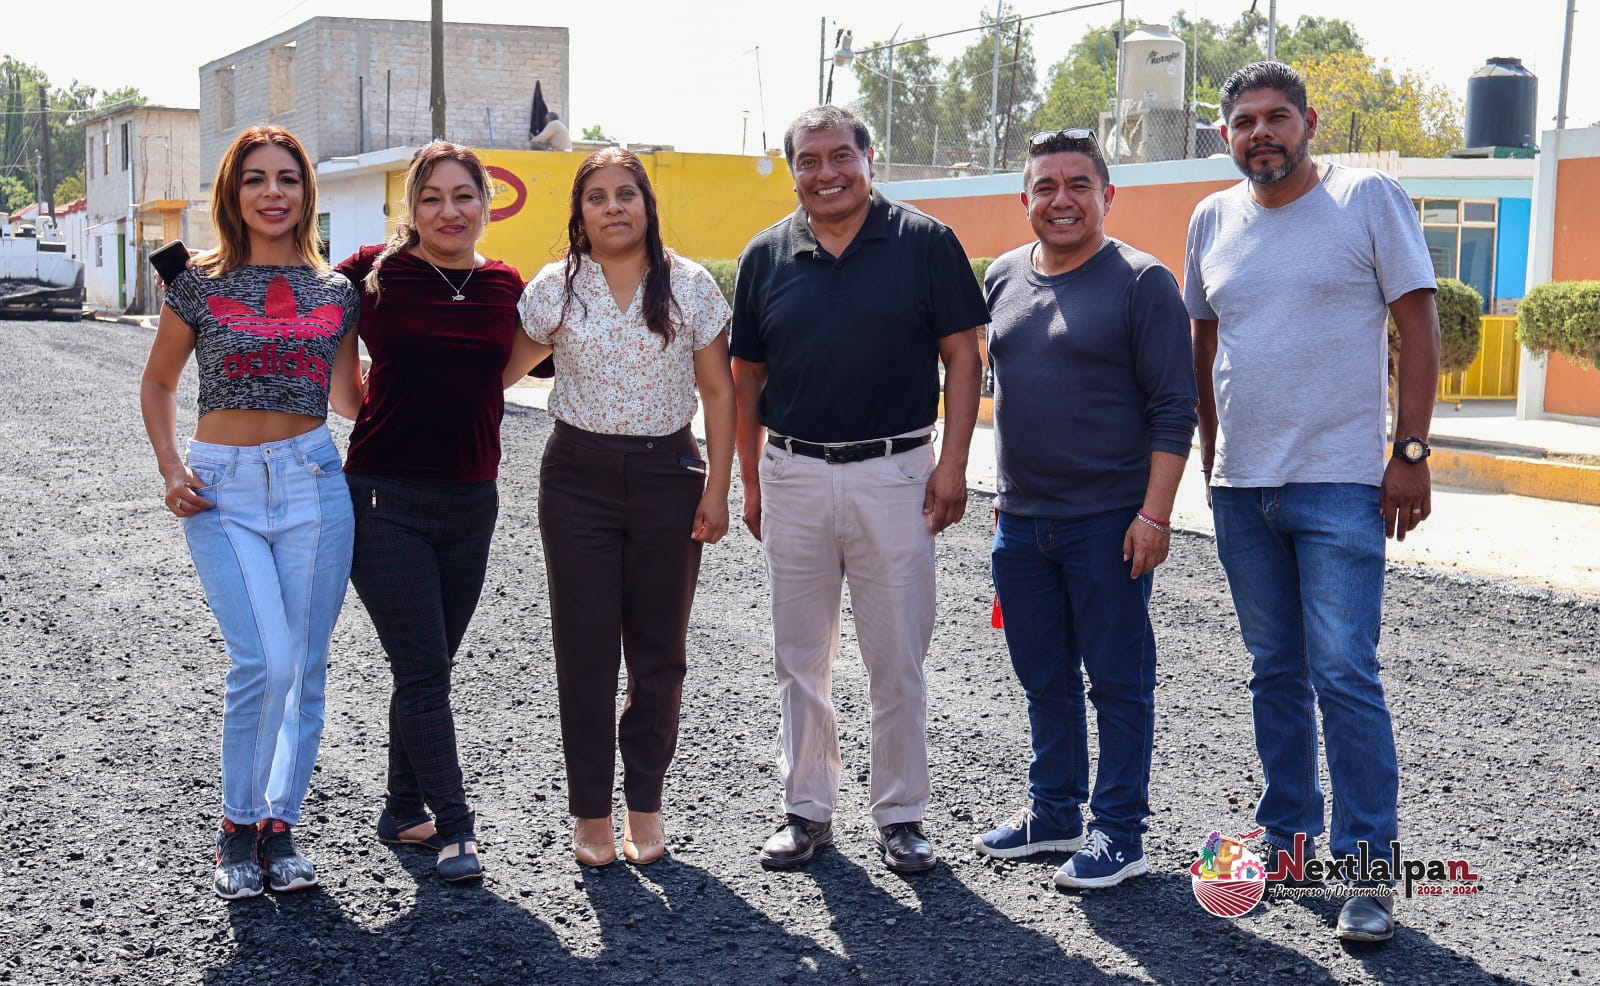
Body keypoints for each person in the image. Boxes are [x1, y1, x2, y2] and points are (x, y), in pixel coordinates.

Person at [1184, 62, 1440, 942]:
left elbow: (1417, 323)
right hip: (1240, 490)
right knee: (1274, 673)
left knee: (1344, 673)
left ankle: (1368, 869)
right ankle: (1288, 843)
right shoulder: (1210, 218)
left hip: (1339, 484)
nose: (1263, 133)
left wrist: (1408, 453)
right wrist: (1212, 457)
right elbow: (1206, 340)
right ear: (1226, 136)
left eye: (1278, 117)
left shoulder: (1369, 198)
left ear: (1309, 122)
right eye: (1245, 121)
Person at [731, 105, 987, 874]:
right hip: (795, 473)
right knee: (799, 656)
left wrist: (953, 466)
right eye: (808, 160)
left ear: (870, 159)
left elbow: (965, 360)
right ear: (794, 170)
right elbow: (747, 379)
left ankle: (902, 814)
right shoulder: (764, 256)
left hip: (896, 473)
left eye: (841, 155)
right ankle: (806, 812)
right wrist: (750, 480)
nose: (826, 173)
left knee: (896, 655)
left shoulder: (926, 243)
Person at [139, 125, 362, 900]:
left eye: (288, 179)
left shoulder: (338, 292)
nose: (273, 192)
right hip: (221, 489)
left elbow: (348, 397)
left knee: (303, 667)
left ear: (307, 193)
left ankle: (279, 824)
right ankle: (237, 822)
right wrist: (172, 468)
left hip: (313, 482)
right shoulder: (196, 283)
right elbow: (160, 384)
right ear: (233, 193)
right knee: (261, 658)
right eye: (255, 179)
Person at [974, 129, 1197, 890]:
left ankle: (1120, 834)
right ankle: (1054, 812)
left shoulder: (1142, 282)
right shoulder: (1002, 277)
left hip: (1109, 524)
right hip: (1020, 522)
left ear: (1108, 194)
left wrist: (1156, 516)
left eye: (1078, 184)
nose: (1060, 199)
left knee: (1118, 681)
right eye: (1046, 186)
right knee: (1044, 678)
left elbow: (1175, 408)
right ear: (1025, 198)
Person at [331, 142, 551, 883]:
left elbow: (512, 370)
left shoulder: (504, 286)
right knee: (424, 667)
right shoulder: (373, 271)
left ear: (487, 204)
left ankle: (403, 808)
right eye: (431, 198)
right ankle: (456, 826)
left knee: (429, 666)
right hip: (382, 498)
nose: (448, 211)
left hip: (471, 500)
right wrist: (358, 409)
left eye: (463, 196)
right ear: (411, 209)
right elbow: (303, 301)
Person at [518, 147, 735, 867]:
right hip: (575, 478)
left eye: (626, 194)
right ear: (579, 213)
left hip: (668, 477)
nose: (613, 207)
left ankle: (646, 805)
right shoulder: (556, 288)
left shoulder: (691, 285)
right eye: (597, 196)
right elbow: (489, 372)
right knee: (584, 654)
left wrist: (716, 485)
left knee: (658, 656)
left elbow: (719, 393)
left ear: (647, 203)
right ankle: (590, 814)